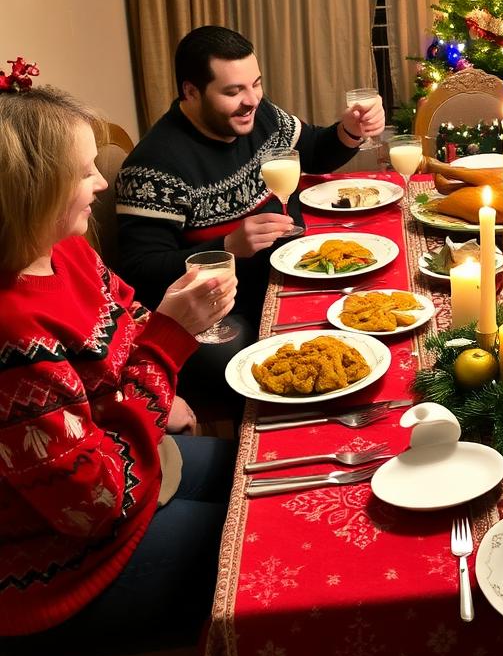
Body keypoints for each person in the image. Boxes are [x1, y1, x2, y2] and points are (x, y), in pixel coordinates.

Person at [0, 79, 237, 656]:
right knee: (263, 550)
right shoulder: (12, 334)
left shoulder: (65, 249)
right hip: (66, 566)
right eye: (85, 172)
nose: (101, 183)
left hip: (132, 464)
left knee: (257, 473)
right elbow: (99, 499)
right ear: (33, 188)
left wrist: (158, 373)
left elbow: (127, 321)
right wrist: (168, 350)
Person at [114, 26, 385, 395]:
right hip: (227, 309)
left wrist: (349, 132)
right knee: (269, 369)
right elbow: (138, 272)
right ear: (191, 92)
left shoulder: (260, 114)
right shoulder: (154, 167)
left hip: (289, 271)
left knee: (372, 313)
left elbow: (314, 148)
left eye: (255, 84)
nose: (252, 100)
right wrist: (227, 247)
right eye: (233, 91)